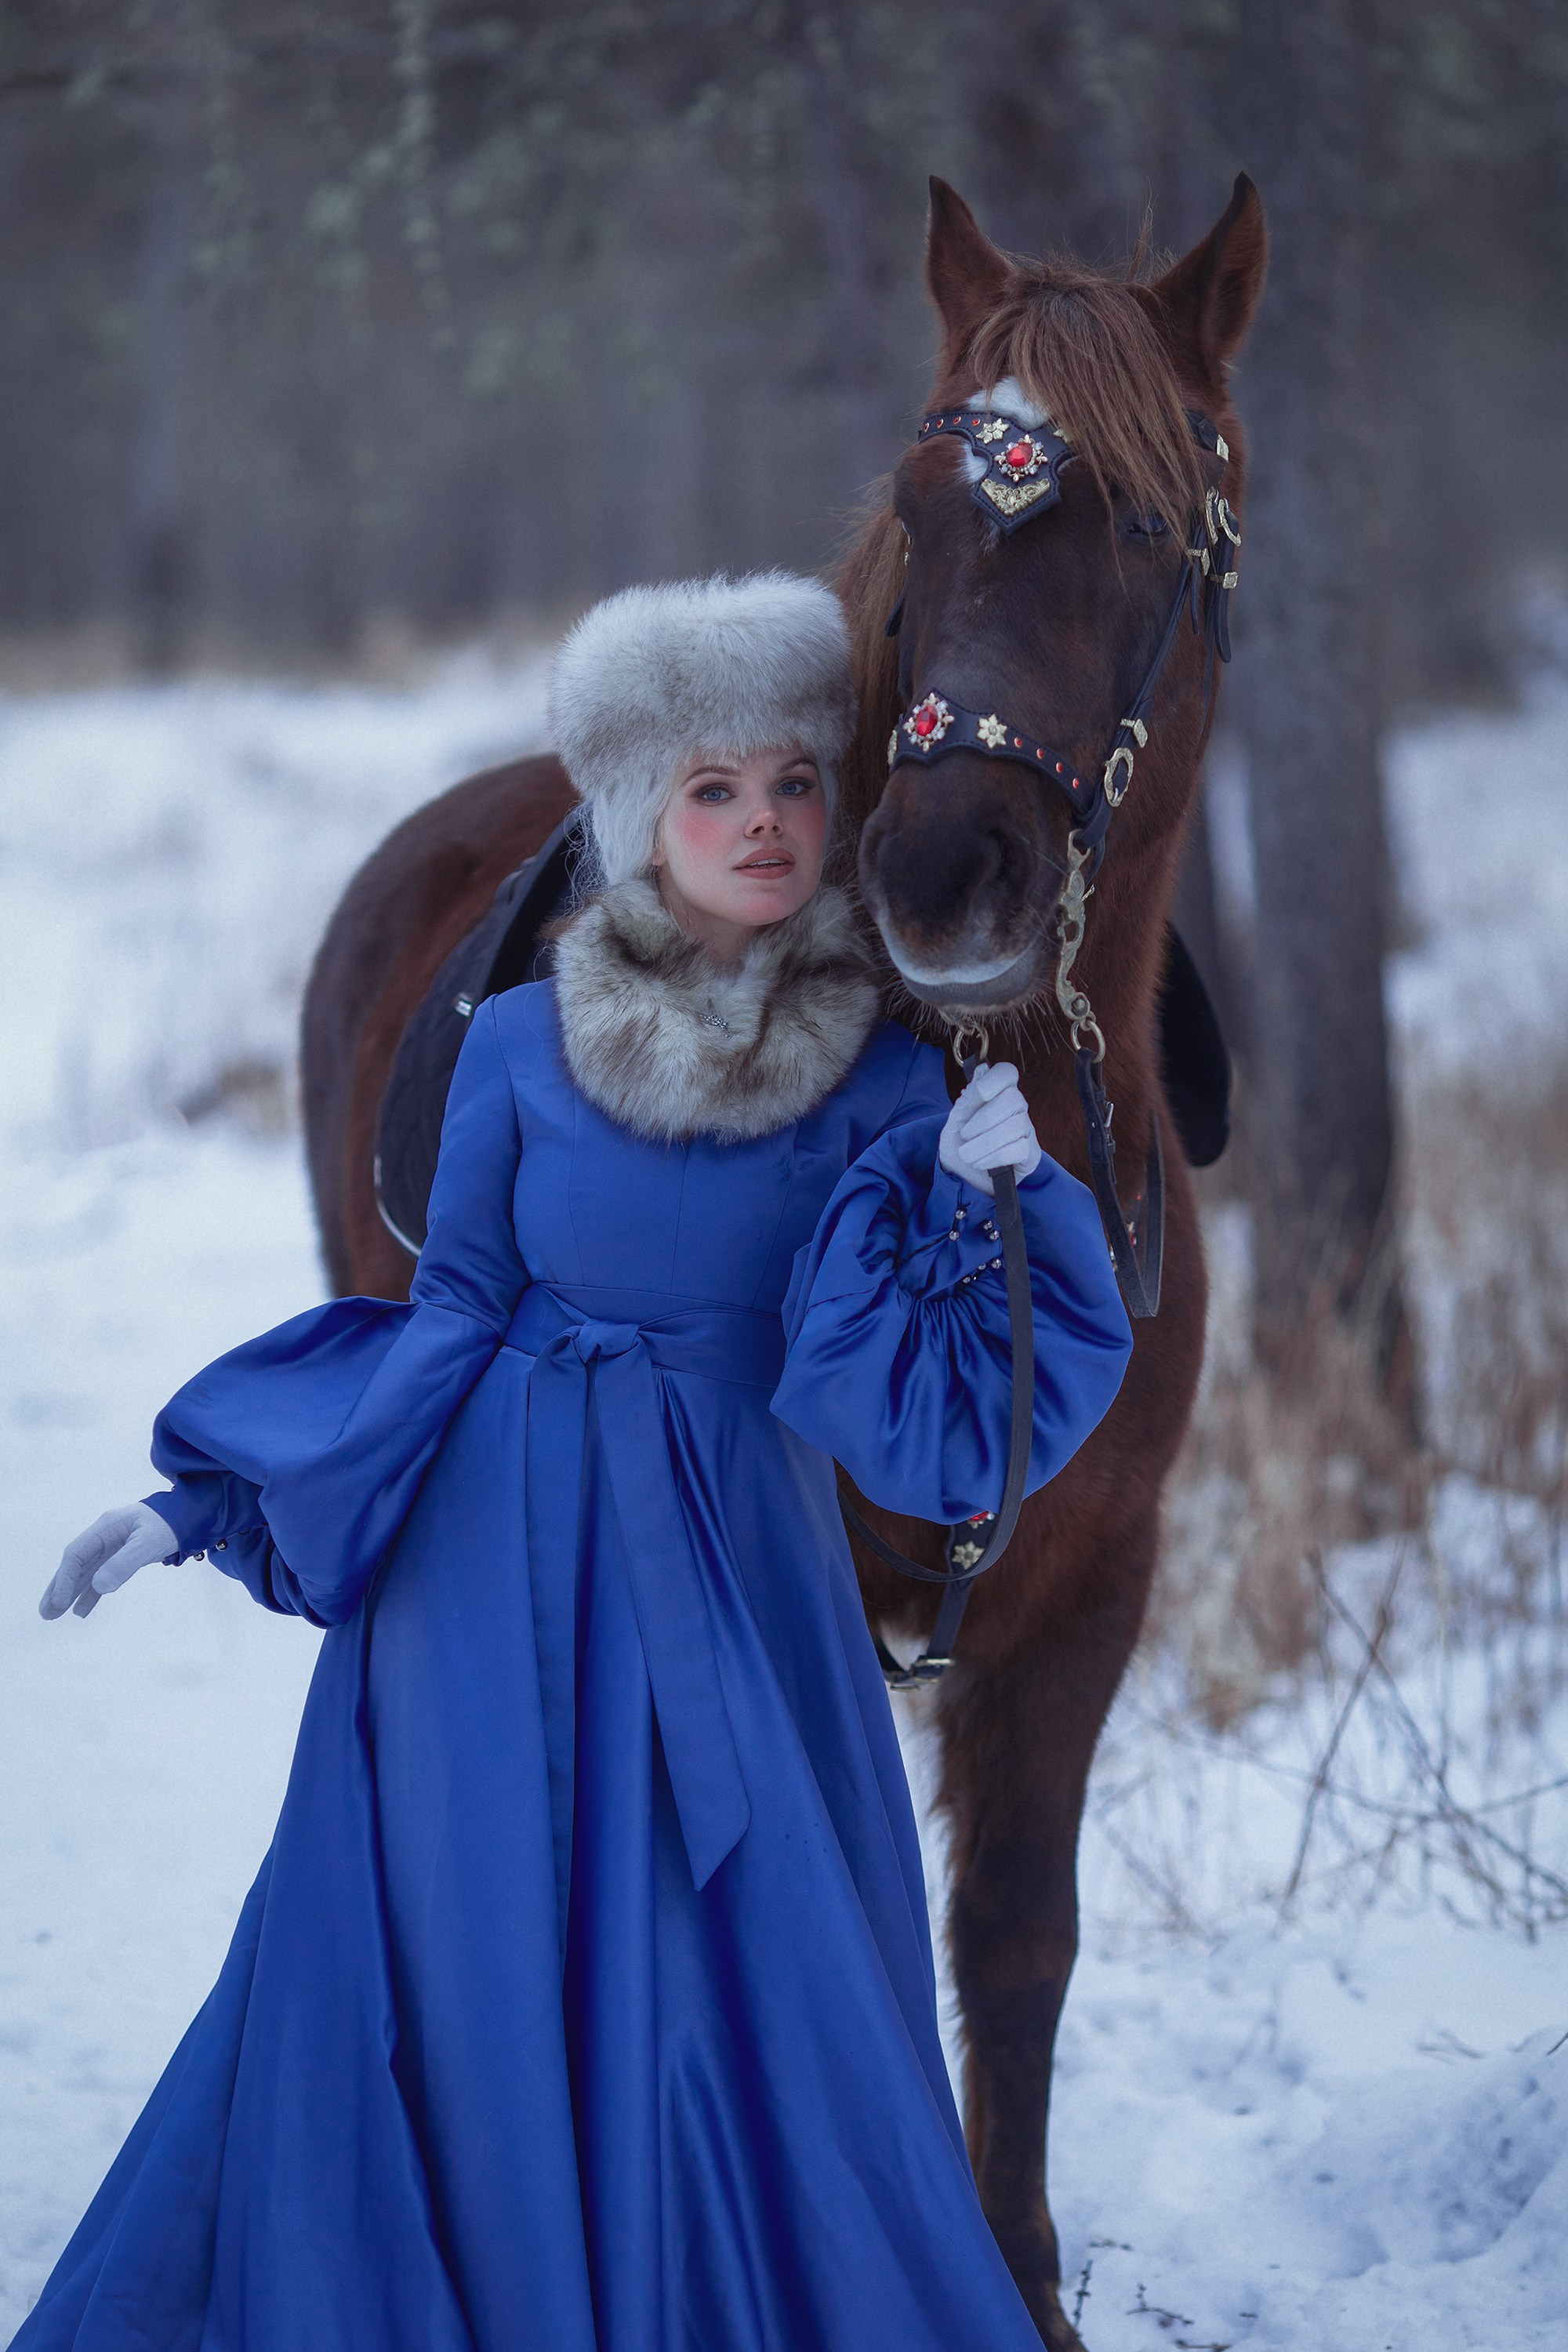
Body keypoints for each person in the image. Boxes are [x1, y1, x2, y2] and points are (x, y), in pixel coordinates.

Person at [23, 572, 1132, 2352]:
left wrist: (1004, 1199)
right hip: (483, 1589)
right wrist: (214, 1497)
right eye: (714, 791)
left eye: (790, 786)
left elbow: (920, 1417)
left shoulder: (883, 1077)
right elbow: (448, 1311)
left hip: (739, 1593)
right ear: (641, 819)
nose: (763, 825)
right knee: (457, 1969)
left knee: (766, 1986)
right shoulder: (526, 1043)